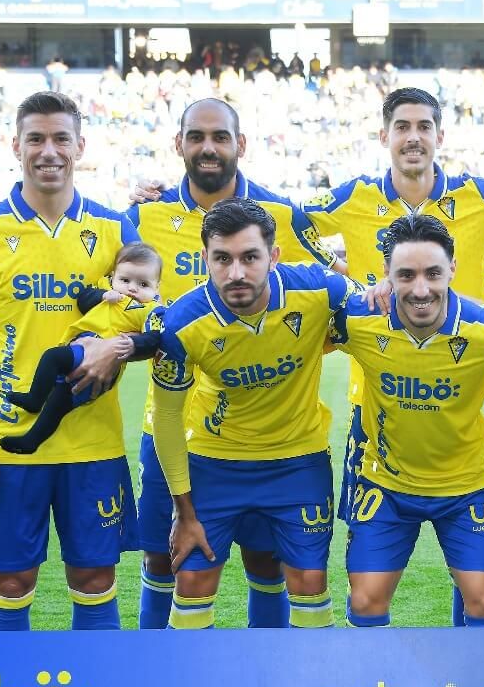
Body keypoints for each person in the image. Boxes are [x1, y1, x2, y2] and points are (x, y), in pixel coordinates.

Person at [0, 91, 143, 633]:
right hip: (8, 444)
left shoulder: (116, 230)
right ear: (15, 146)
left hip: (93, 442)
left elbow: (149, 317)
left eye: (60, 139)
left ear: (80, 146)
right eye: (36, 139)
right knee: (9, 582)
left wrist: (114, 346)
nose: (49, 151)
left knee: (96, 578)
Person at [128, 97, 340, 629]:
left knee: (267, 559)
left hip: (276, 428)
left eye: (220, 137)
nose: (207, 148)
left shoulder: (284, 217)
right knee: (164, 555)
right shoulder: (141, 214)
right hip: (178, 421)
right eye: (195, 137)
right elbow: (112, 285)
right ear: (179, 143)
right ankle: (159, 681)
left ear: (239, 144)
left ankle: (265, 686)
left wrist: (293, 346)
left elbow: (334, 294)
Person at [147, 198, 355, 629]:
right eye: (222, 259)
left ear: (274, 256)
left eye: (250, 257)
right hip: (213, 465)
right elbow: (166, 419)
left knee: (310, 581)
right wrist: (185, 513)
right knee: (193, 584)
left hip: (298, 463)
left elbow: (373, 303)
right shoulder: (183, 323)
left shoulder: (320, 290)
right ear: (205, 258)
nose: (236, 273)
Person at [328, 213, 484, 627]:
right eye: (405, 275)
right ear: (386, 275)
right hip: (386, 486)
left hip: (465, 489)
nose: (421, 289)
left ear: (453, 270)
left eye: (433, 273)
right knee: (365, 601)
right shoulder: (358, 320)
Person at [2, 243, 163, 455]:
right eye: (125, 280)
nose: (132, 288)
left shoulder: (150, 309)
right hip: (83, 345)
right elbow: (82, 299)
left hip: (104, 361)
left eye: (143, 284)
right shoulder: (108, 293)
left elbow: (156, 337)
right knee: (56, 377)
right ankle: (33, 418)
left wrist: (132, 344)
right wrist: (102, 295)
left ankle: (33, 420)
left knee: (58, 388)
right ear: (113, 277)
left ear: (157, 288)